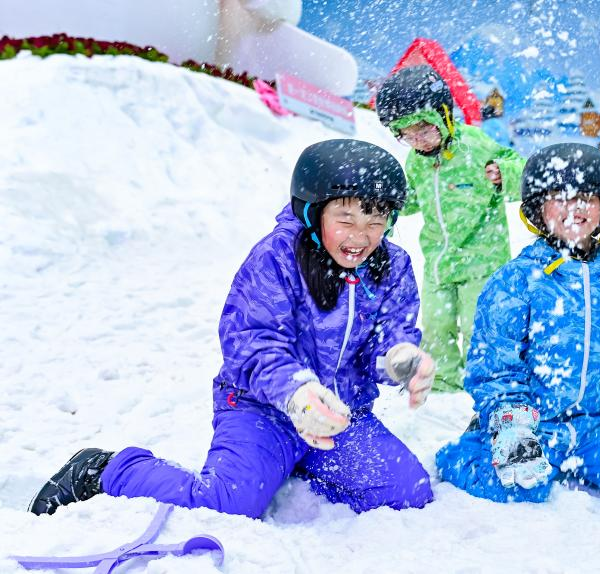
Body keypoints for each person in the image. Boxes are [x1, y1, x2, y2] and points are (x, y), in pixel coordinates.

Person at [29, 140, 436, 518]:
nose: (361, 236)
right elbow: (253, 342)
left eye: (376, 220)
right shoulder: (276, 259)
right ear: (313, 211)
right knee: (228, 502)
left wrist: (399, 358)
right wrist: (295, 394)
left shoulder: (392, 266)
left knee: (408, 492)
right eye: (345, 218)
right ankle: (105, 470)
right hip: (261, 409)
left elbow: (390, 335)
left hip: (337, 416)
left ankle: (294, 464)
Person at [435, 143, 600, 503]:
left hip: (595, 426)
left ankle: (587, 458)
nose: (574, 208)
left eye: (587, 198)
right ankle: (462, 454)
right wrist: (512, 420)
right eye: (559, 197)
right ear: (536, 208)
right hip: (532, 424)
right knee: (521, 489)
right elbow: (495, 365)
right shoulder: (515, 280)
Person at [375, 65, 525, 393]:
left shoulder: (475, 144)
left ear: (444, 116)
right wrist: (384, 217)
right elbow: (409, 200)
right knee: (435, 324)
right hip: (439, 261)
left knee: (479, 324)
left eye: (424, 130)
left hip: (482, 259)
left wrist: (505, 172)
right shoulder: (416, 161)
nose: (417, 140)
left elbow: (520, 168)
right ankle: (442, 381)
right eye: (407, 134)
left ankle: (486, 379)